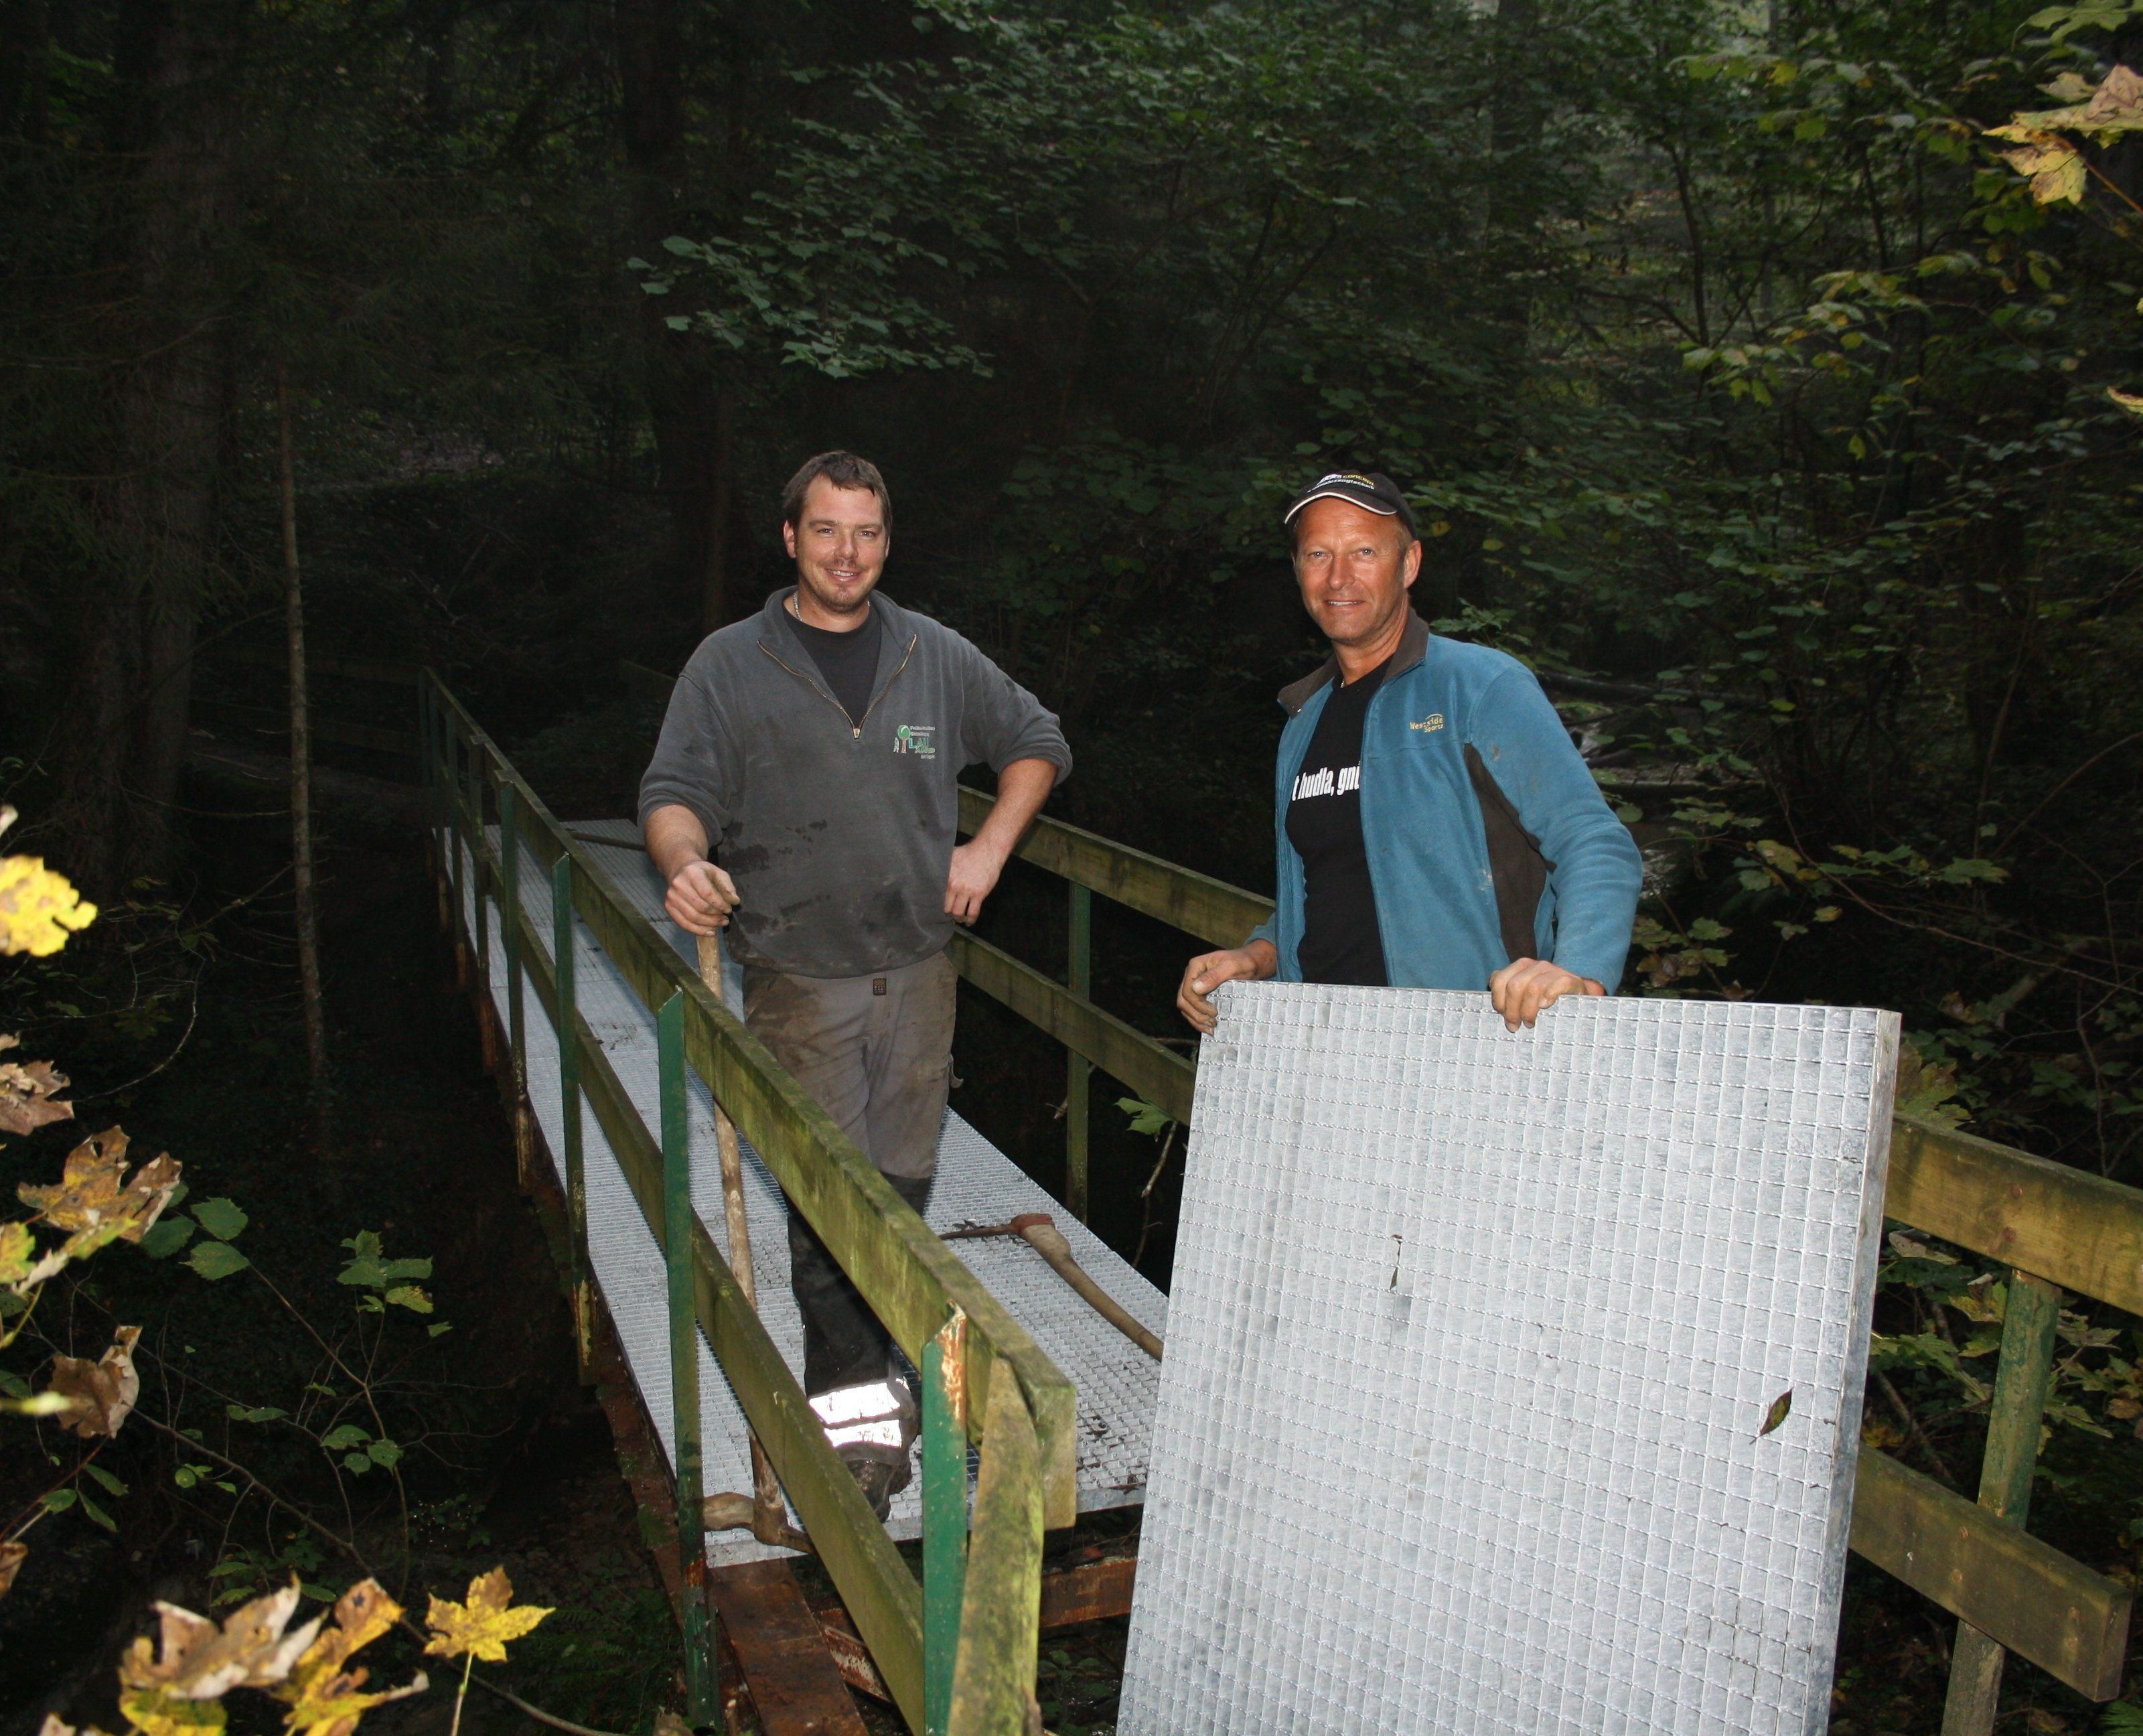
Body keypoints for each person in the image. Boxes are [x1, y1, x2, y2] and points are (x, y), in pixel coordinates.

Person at [640, 451, 1071, 1517]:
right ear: (790, 539)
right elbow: (672, 792)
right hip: (796, 974)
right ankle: (862, 1441)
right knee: (831, 1209)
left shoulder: (932, 654)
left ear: (888, 540)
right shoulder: (731, 665)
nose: (848, 553)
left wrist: (989, 849)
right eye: (826, 531)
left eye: (868, 533)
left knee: (903, 1188)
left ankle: (890, 1372)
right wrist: (683, 863)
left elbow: (1037, 742)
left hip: (919, 972)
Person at [1177, 469, 1642, 1035]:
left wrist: (1578, 973)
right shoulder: (1303, 721)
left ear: (1410, 563)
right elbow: (1333, 887)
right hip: (1320, 1047)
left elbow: (1593, 841)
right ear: (1298, 571)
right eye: (1318, 553)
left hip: (1468, 1041)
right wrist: (1257, 956)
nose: (1339, 576)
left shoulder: (1479, 687)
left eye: (1364, 551)